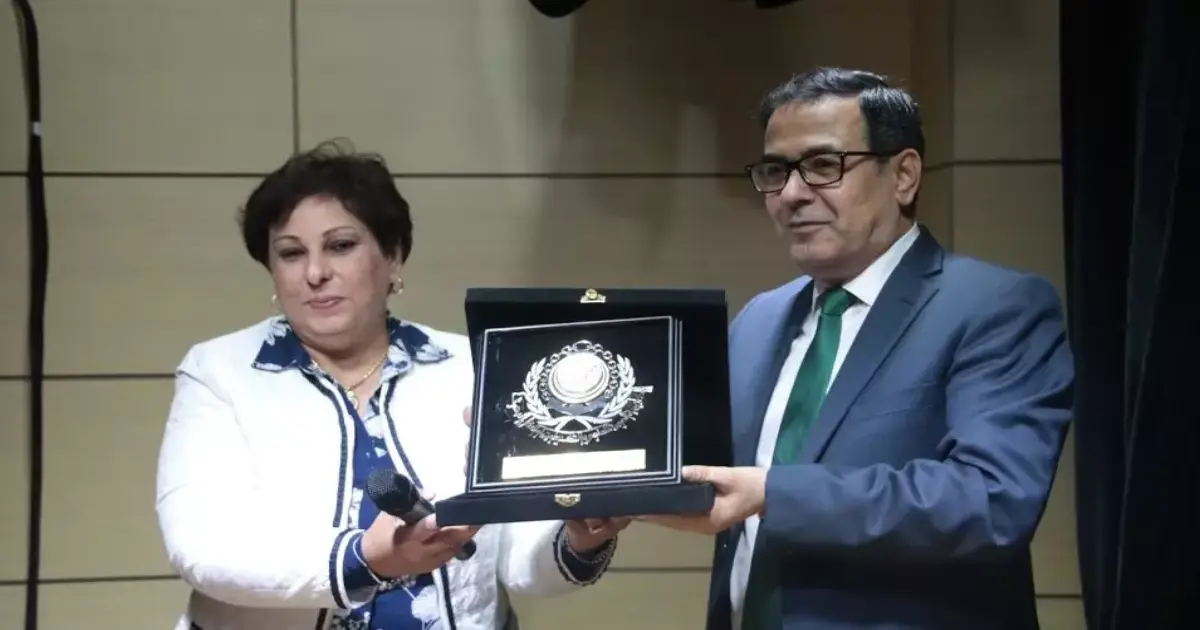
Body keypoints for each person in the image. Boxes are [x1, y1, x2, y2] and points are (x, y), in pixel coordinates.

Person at [642, 68, 1074, 629]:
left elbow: (992, 500)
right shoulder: (758, 321)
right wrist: (594, 503)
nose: (792, 194)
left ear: (904, 175)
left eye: (824, 165)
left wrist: (773, 493)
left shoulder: (995, 307)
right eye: (775, 171)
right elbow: (696, 471)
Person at [154, 140, 630, 630]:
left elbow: (517, 556)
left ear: (393, 257)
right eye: (291, 254)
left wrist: (581, 537)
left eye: (341, 246)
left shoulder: (475, 367)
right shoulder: (219, 371)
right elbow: (203, 547)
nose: (315, 273)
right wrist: (364, 559)